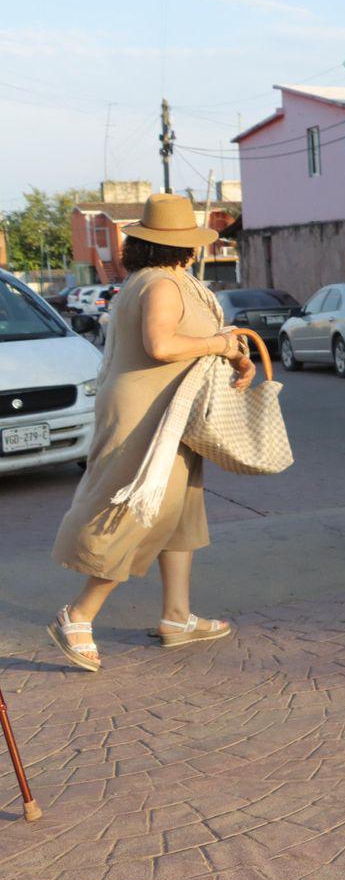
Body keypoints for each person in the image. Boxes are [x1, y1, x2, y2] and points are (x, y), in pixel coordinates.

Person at [47, 194, 251, 672]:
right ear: (186, 246)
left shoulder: (167, 280)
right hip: (145, 413)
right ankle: (78, 614)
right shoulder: (160, 284)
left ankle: (176, 618)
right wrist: (220, 344)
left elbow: (192, 344)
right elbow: (160, 344)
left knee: (180, 512)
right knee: (137, 510)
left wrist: (231, 354)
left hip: (172, 412)